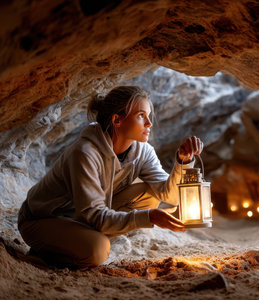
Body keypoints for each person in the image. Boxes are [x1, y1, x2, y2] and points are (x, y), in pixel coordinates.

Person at [17, 86, 203, 268]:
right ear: (117, 120)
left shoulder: (143, 151)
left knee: (150, 194)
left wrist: (183, 162)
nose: (149, 123)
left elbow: (169, 196)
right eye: (141, 116)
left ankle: (77, 242)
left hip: (82, 218)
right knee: (98, 249)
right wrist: (149, 217)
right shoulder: (85, 153)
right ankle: (49, 251)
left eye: (148, 116)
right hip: (43, 220)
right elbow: (94, 215)